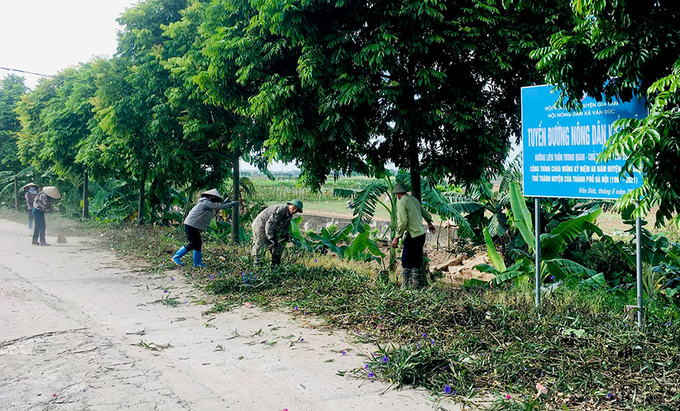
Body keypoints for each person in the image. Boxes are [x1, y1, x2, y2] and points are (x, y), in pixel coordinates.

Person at [172, 189, 239, 267]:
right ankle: (176, 257)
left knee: (198, 244)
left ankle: (197, 263)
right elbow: (217, 206)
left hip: (193, 225)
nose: (215, 200)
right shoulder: (205, 202)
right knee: (193, 243)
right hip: (191, 225)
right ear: (210, 197)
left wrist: (226, 202)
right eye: (214, 198)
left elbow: (217, 206)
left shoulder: (207, 203)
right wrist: (231, 204)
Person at [390, 182, 436, 289]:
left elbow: (403, 221)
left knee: (406, 260)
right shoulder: (414, 199)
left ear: (397, 194)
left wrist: (397, 237)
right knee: (416, 260)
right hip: (421, 235)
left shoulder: (402, 202)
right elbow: (425, 213)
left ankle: (405, 286)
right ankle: (416, 286)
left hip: (412, 235)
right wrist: (429, 223)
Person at [251, 199, 303, 267]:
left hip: (272, 228)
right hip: (261, 226)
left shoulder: (289, 214)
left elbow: (285, 225)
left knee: (278, 246)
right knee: (260, 245)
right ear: (289, 205)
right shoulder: (280, 210)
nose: (295, 210)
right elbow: (269, 224)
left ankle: (275, 266)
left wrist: (285, 234)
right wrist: (271, 238)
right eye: (294, 207)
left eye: (297, 210)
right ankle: (257, 266)